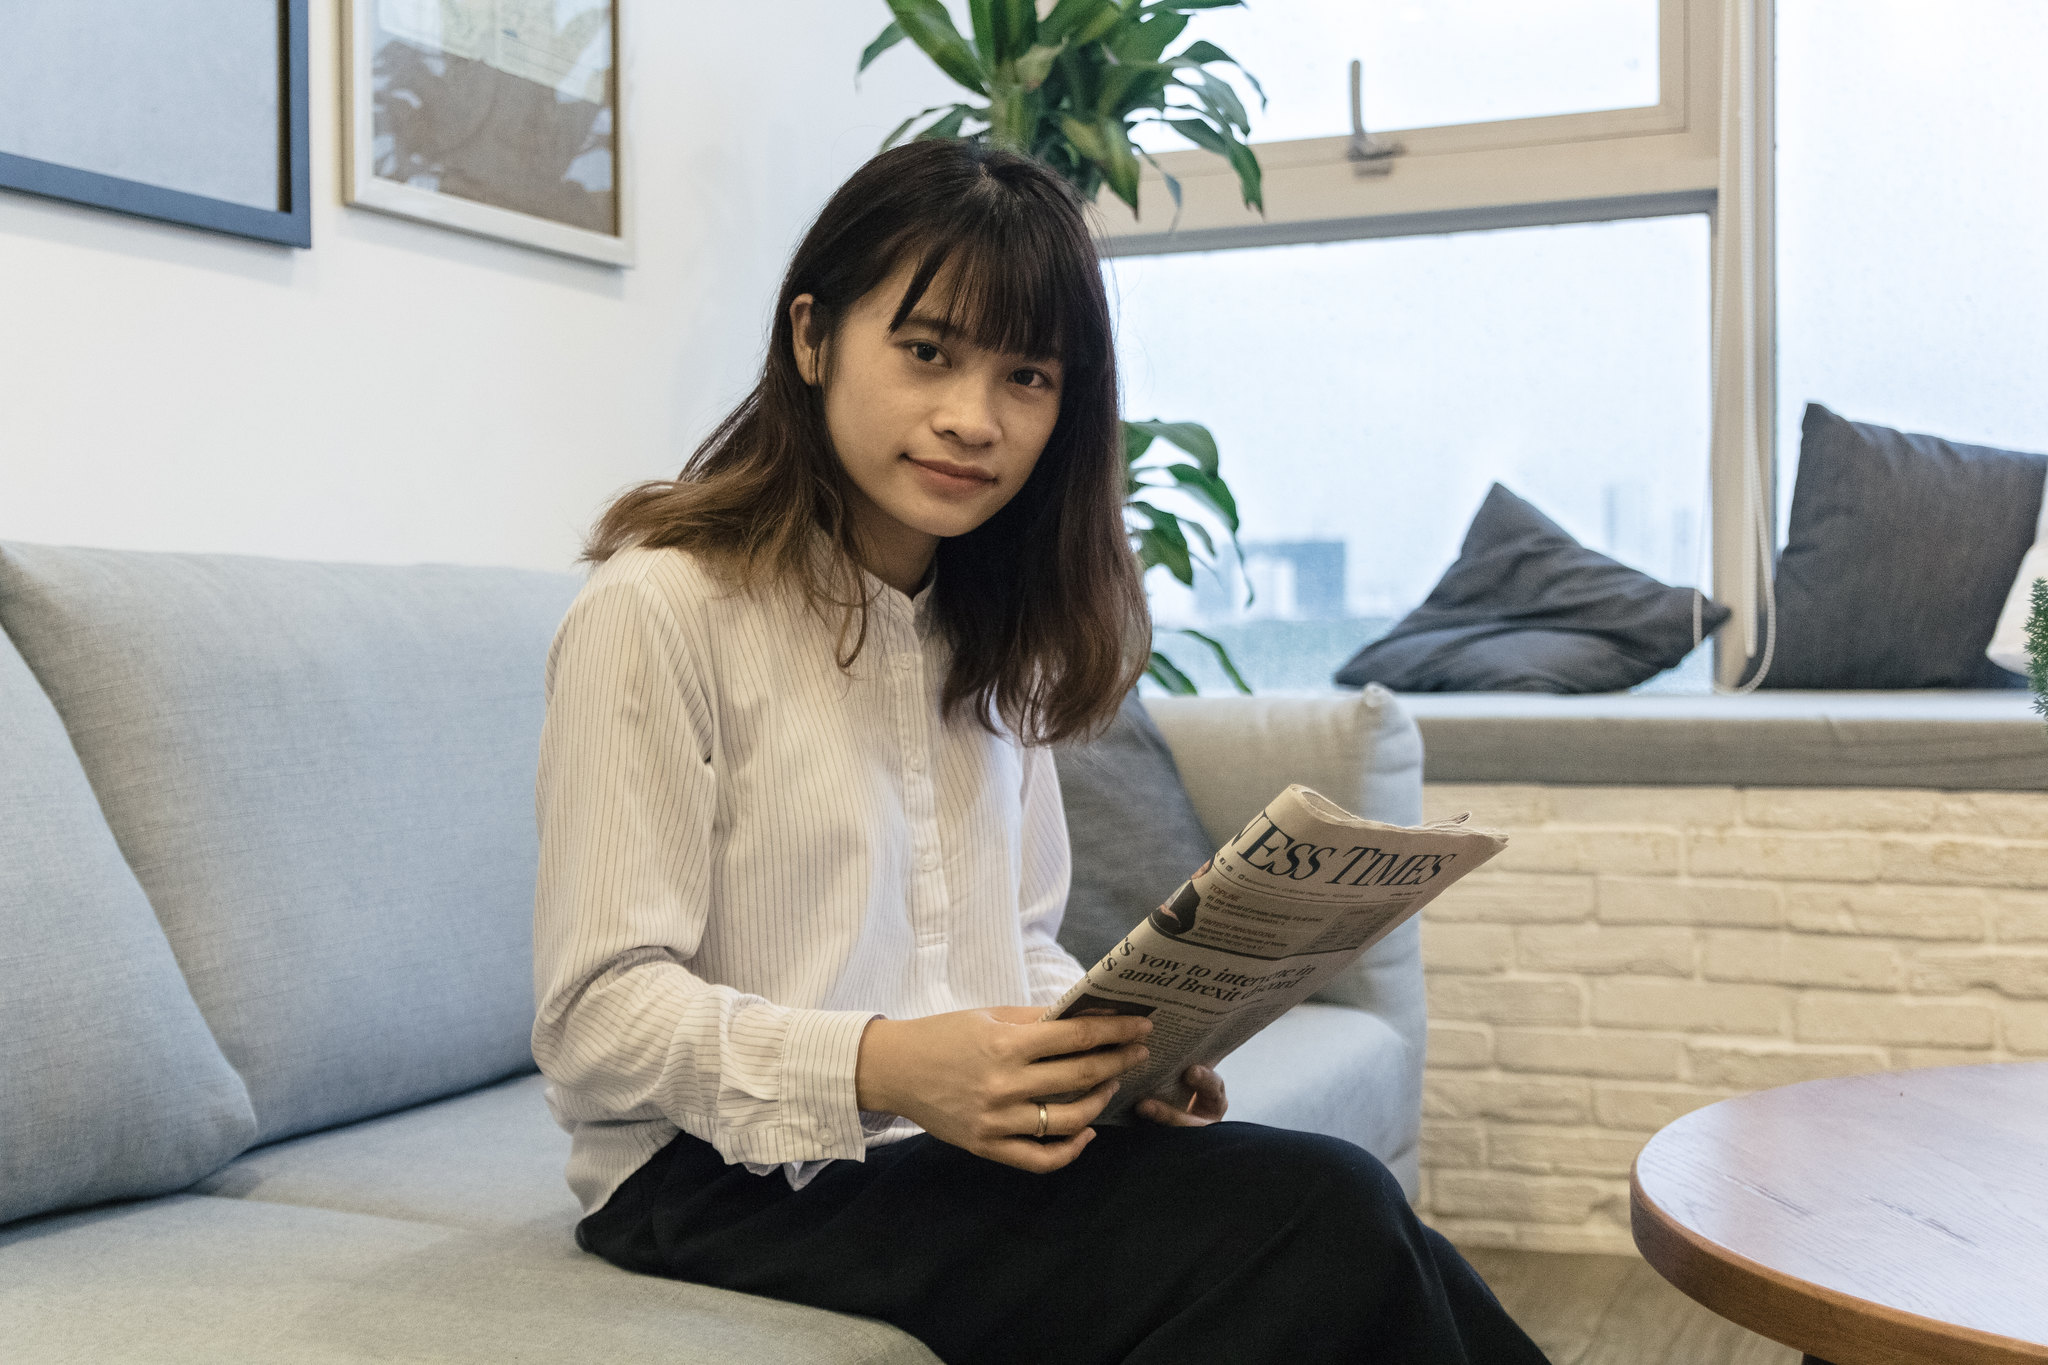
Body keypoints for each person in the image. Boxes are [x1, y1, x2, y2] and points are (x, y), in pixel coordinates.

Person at [531, 137, 1548, 1365]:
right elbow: (594, 1018)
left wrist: (1107, 1056)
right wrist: (893, 1067)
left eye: (1027, 375)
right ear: (811, 338)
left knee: (1354, 1220)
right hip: (719, 1180)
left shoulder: (988, 629)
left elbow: (1004, 939)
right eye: (926, 353)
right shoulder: (658, 611)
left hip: (936, 1152)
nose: (973, 418)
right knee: (1314, 1218)